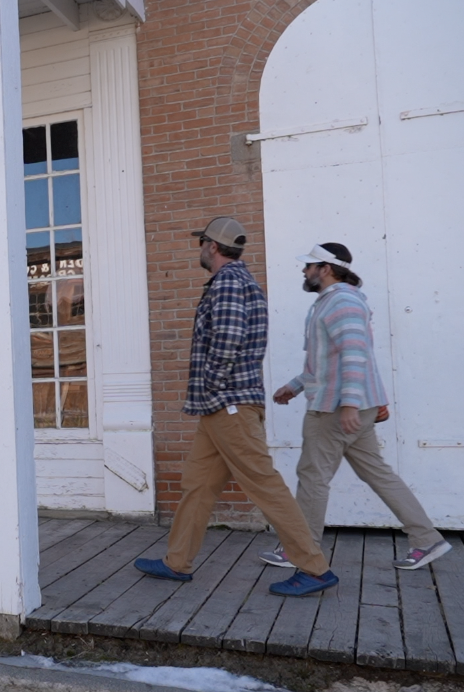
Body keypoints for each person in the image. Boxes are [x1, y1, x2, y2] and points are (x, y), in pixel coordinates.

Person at [134, 217, 338, 597]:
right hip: (220, 407)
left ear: (212, 246)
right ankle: (177, 561)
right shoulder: (238, 281)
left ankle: (314, 568)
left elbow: (227, 339)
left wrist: (212, 384)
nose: (200, 249)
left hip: (228, 404)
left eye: (202, 243)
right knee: (197, 484)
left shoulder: (228, 282)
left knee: (264, 484)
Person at [258, 243, 451, 570]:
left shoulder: (342, 302)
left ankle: (301, 550)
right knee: (377, 473)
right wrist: (294, 386)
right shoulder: (333, 301)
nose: (304, 271)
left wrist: (349, 403)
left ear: (326, 269)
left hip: (335, 408)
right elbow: (326, 360)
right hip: (349, 404)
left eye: (309, 265)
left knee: (313, 475)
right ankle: (427, 539)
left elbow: (355, 356)